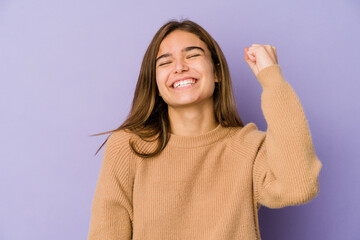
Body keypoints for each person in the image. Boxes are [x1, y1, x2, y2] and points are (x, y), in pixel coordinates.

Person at [87, 19, 322, 240]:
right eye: (165, 62)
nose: (179, 67)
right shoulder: (128, 147)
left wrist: (272, 78)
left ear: (217, 72)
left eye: (193, 55)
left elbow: (298, 188)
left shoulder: (249, 146)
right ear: (157, 84)